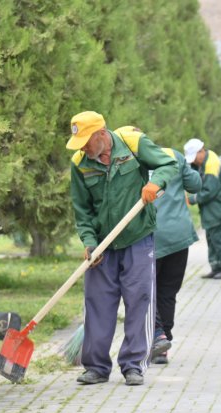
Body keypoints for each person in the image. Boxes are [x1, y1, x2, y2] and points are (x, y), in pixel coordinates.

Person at [67, 111, 177, 386]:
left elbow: (168, 164)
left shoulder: (132, 143)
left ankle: (133, 365)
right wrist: (90, 242)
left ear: (101, 134)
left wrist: (155, 182)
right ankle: (96, 367)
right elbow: (82, 211)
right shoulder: (80, 163)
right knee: (97, 303)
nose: (82, 148)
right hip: (103, 244)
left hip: (138, 238)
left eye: (85, 141)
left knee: (139, 299)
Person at [150, 145, 202, 364]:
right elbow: (195, 184)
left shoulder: (132, 161)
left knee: (147, 291)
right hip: (178, 236)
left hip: (151, 237)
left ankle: (158, 336)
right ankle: (163, 345)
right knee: (167, 291)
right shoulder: (173, 155)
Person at [184, 138, 221, 279]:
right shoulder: (205, 160)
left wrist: (191, 199)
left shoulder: (211, 164)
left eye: (194, 158)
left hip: (217, 208)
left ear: (201, 151)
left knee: (220, 239)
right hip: (210, 209)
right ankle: (216, 267)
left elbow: (209, 190)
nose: (193, 161)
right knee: (211, 238)